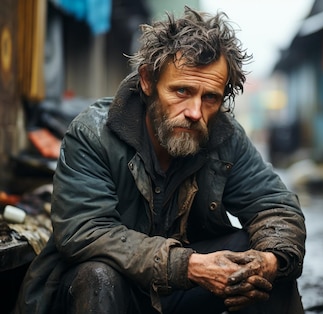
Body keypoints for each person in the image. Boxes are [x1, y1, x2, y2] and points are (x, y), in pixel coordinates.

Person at [15, 7, 306, 314]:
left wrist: (270, 261)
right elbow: (85, 231)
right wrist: (188, 265)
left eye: (210, 98)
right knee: (98, 275)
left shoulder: (224, 135)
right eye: (182, 91)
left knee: (260, 263)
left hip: (178, 291)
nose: (195, 112)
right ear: (147, 81)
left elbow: (276, 207)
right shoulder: (92, 133)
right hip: (107, 291)